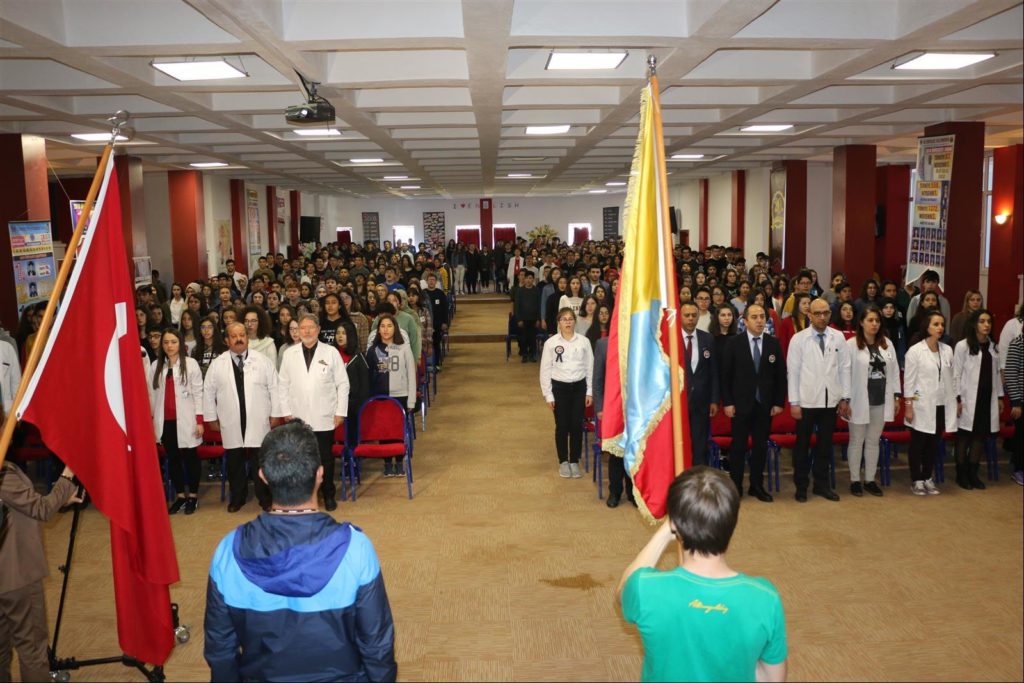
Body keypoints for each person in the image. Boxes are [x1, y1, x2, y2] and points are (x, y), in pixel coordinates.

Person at [203, 420, 397, 682]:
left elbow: (220, 650)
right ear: (320, 474)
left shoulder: (228, 552)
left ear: (262, 476)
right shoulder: (356, 549)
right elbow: (377, 645)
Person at [618, 467, 787, 683]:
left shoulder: (644, 588)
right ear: (732, 522)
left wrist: (666, 531)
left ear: (675, 524)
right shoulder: (765, 597)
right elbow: (773, 678)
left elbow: (622, 593)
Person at [0, 461, 82, 683]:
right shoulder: (2, 473)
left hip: (8, 577)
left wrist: (59, 499)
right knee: (32, 649)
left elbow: (23, 506)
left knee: (2, 650)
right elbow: (41, 509)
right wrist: (69, 471)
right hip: (16, 574)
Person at [203, 321, 283, 512]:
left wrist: (275, 414)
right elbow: (208, 392)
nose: (239, 339)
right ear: (226, 340)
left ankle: (265, 498)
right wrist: (211, 418)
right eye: (234, 336)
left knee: (260, 460)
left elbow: (275, 388)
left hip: (258, 417)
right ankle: (237, 498)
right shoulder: (217, 364)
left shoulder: (262, 361)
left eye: (242, 335)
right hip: (231, 419)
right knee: (235, 461)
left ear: (247, 338)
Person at [278, 314, 350, 511]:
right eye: (303, 328)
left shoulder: (331, 352)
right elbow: (282, 385)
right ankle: (305, 496)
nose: (307, 331)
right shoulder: (289, 354)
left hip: (324, 415)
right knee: (300, 459)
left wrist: (340, 412)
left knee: (325, 458)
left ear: (318, 330)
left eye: (311, 327)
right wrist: (286, 411)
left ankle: (328, 494)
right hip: (297, 416)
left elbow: (343, 384)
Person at [787, 298, 851, 502]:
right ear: (809, 315)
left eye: (826, 313)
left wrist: (845, 398)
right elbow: (793, 372)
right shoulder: (798, 339)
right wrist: (794, 402)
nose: (822, 317)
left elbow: (844, 368)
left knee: (825, 446)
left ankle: (821, 485)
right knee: (802, 446)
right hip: (806, 401)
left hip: (830, 401)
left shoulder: (838, 337)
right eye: (817, 313)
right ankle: (801, 486)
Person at [720, 304, 786, 502]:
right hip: (740, 405)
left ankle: (757, 486)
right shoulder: (734, 343)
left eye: (762, 317)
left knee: (760, 447)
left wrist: (778, 402)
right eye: (755, 317)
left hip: (764, 405)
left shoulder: (773, 343)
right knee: (738, 447)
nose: (759, 321)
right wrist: (728, 402)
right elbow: (725, 376)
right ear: (745, 321)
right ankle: (736, 486)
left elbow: (780, 375)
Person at [148, 328, 205, 514]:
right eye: (166, 342)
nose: (169, 346)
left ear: (180, 344)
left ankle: (193, 496)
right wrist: (152, 421)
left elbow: (198, 393)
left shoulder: (190, 364)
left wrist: (199, 420)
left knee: (190, 458)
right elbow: (152, 396)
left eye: (173, 342)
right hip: (166, 422)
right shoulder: (156, 366)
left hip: (187, 420)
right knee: (173, 459)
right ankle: (180, 496)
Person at [845, 305, 900, 497]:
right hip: (858, 400)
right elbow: (844, 373)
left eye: (877, 320)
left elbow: (894, 372)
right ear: (861, 322)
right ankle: (854, 480)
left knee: (873, 440)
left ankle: (869, 479)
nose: (874, 324)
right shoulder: (851, 345)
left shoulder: (887, 344)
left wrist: (896, 396)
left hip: (881, 400)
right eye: (870, 320)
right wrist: (845, 399)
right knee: (856, 440)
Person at [903, 311, 957, 496]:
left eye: (942, 324)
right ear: (927, 327)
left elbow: (952, 379)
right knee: (918, 444)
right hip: (921, 403)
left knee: (933, 444)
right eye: (936, 324)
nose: (940, 328)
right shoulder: (915, 351)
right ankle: (916, 480)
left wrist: (955, 401)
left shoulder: (947, 350)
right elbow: (909, 381)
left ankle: (927, 477)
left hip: (941, 403)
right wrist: (909, 406)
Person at [539, 307, 594, 479]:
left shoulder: (584, 342)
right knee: (562, 425)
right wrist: (548, 395)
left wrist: (589, 391)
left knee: (576, 425)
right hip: (559, 388)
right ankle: (563, 460)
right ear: (559, 323)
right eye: (564, 319)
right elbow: (545, 370)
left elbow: (590, 367)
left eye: (570, 319)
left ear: (575, 322)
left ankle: (574, 460)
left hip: (579, 388)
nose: (568, 322)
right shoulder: (551, 343)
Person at [952, 309, 1002, 490]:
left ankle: (973, 473)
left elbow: (997, 375)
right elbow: (956, 374)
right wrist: (957, 399)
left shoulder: (993, 347)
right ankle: (961, 474)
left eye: (989, 321)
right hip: (967, 399)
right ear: (974, 324)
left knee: (979, 436)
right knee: (964, 437)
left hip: (986, 399)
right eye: (982, 321)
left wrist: (1000, 397)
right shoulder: (962, 346)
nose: (986, 325)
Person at [366, 314, 418, 477]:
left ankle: (400, 461)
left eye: (389, 326)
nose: (386, 329)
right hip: (380, 396)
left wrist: (411, 400)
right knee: (384, 431)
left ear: (395, 328)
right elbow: (369, 376)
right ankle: (387, 462)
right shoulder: (372, 350)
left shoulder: (404, 348)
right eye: (382, 326)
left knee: (397, 430)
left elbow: (411, 374)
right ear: (378, 330)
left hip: (400, 395)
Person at [592, 332, 634, 508]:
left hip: (635, 408)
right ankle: (615, 492)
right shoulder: (603, 344)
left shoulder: (639, 340)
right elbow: (597, 379)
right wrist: (600, 408)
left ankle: (633, 492)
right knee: (616, 451)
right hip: (612, 408)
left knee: (634, 450)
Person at [680, 301, 720, 467]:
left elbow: (714, 372)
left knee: (700, 445)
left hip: (701, 402)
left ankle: (698, 477)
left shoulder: (708, 339)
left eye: (694, 315)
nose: (691, 319)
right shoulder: (672, 340)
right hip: (679, 402)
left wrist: (714, 400)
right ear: (680, 317)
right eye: (687, 315)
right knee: (680, 444)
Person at [1003, 331, 1023, 486]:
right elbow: (1010, 374)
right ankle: (1019, 470)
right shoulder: (1017, 343)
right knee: (1021, 437)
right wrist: (1016, 402)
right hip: (1020, 400)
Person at [513, 271, 541, 362]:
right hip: (523, 319)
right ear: (524, 279)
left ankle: (532, 355)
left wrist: (538, 319)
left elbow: (539, 305)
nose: (528, 280)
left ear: (533, 279)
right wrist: (519, 319)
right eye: (527, 278)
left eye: (530, 278)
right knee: (523, 338)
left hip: (533, 319)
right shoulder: (520, 291)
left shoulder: (537, 290)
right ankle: (524, 355)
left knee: (532, 338)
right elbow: (517, 306)